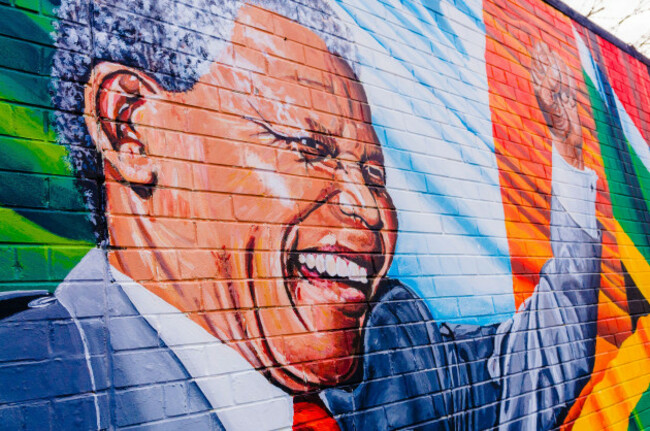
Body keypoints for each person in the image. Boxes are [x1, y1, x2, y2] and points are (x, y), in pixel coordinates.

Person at [0, 0, 601, 430]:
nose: (368, 208)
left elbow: (531, 373)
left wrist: (570, 167)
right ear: (130, 127)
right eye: (309, 148)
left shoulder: (389, 339)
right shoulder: (30, 386)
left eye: (373, 174)